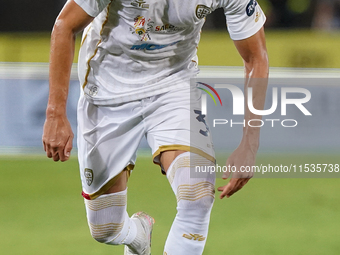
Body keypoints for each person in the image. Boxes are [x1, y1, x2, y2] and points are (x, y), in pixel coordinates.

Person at [42, 0, 269, 254]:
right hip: (107, 93)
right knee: (105, 229)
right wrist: (55, 113)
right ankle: (137, 235)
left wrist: (250, 144)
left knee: (198, 194)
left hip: (173, 87)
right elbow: (64, 25)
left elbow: (255, 57)